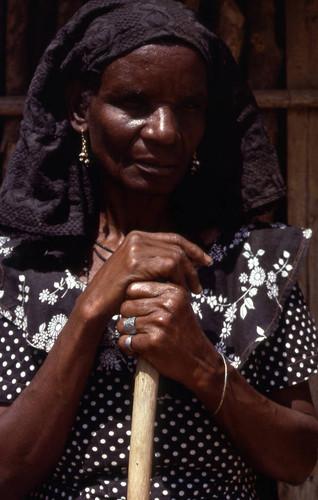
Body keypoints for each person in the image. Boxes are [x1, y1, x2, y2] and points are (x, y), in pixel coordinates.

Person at [0, 0, 317, 498]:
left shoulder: (254, 266)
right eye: (135, 102)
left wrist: (199, 363)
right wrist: (90, 312)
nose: (166, 131)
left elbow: (298, 459)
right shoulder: (17, 270)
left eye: (189, 106)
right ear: (82, 109)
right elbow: (5, 473)